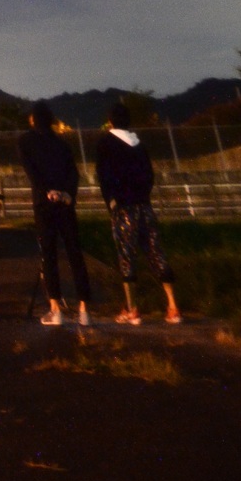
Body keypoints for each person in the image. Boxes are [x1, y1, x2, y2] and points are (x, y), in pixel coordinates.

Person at [95, 102, 181, 325]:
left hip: (123, 208)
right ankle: (173, 306)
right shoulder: (139, 144)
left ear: (111, 121)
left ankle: (132, 309)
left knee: (126, 256)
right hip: (144, 205)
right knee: (156, 252)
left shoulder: (105, 143)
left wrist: (112, 202)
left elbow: (103, 176)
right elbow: (149, 175)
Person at [17, 102, 92, 326]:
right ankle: (84, 311)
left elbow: (32, 172)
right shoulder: (62, 144)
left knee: (49, 256)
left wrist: (47, 191)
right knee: (75, 254)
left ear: (32, 120)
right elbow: (73, 173)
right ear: (51, 120)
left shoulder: (24, 141)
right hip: (66, 204)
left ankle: (55, 310)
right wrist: (67, 194)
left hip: (44, 203)